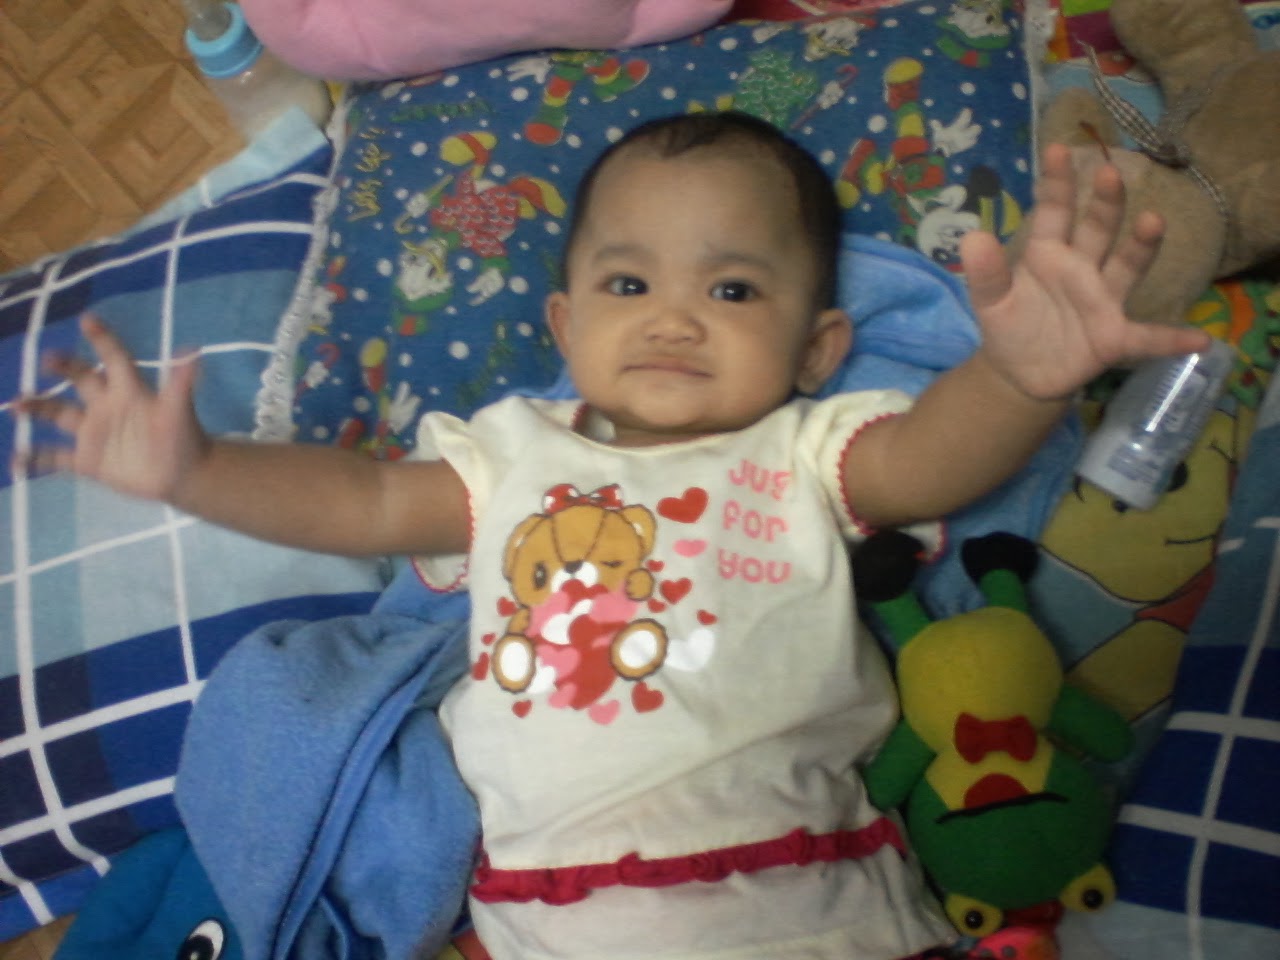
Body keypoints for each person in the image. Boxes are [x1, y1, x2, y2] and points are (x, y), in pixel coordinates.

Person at [16, 112, 1209, 960]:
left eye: (731, 290)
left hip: (809, 904)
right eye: (628, 285)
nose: (674, 318)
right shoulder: (508, 456)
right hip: (546, 919)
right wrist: (200, 470)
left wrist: (1017, 378)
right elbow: (363, 503)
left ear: (817, 349)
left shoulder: (802, 451)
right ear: (563, 322)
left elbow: (932, 461)